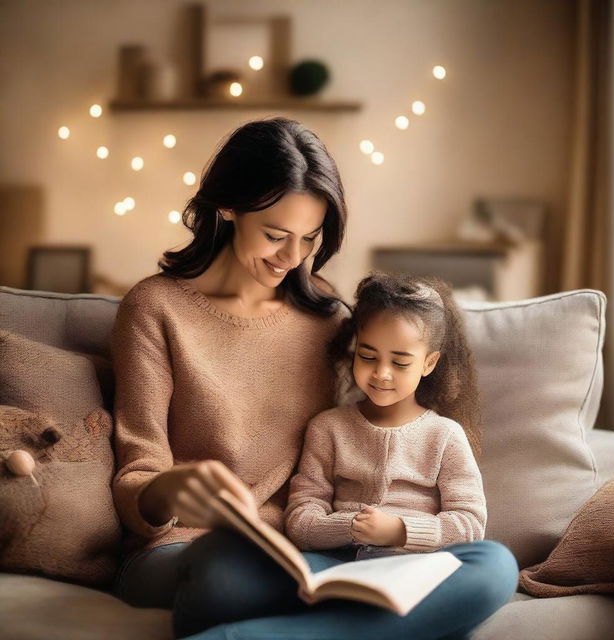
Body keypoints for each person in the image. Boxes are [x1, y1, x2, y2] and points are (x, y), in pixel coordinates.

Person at [111, 118, 518, 640]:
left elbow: (372, 417)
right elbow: (135, 477)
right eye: (276, 236)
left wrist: (386, 528)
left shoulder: (325, 313)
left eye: (309, 238)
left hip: (307, 555)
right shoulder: (155, 308)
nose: (292, 258)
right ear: (227, 208)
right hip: (187, 550)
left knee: (492, 567)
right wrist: (168, 489)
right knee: (224, 570)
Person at [285, 271, 487, 558]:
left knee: (495, 560)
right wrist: (352, 527)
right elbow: (300, 520)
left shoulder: (445, 435)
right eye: (367, 357)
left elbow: (470, 524)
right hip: (341, 563)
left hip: (414, 568)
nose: (381, 373)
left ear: (429, 363)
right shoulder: (327, 428)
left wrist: (399, 531)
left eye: (400, 362)